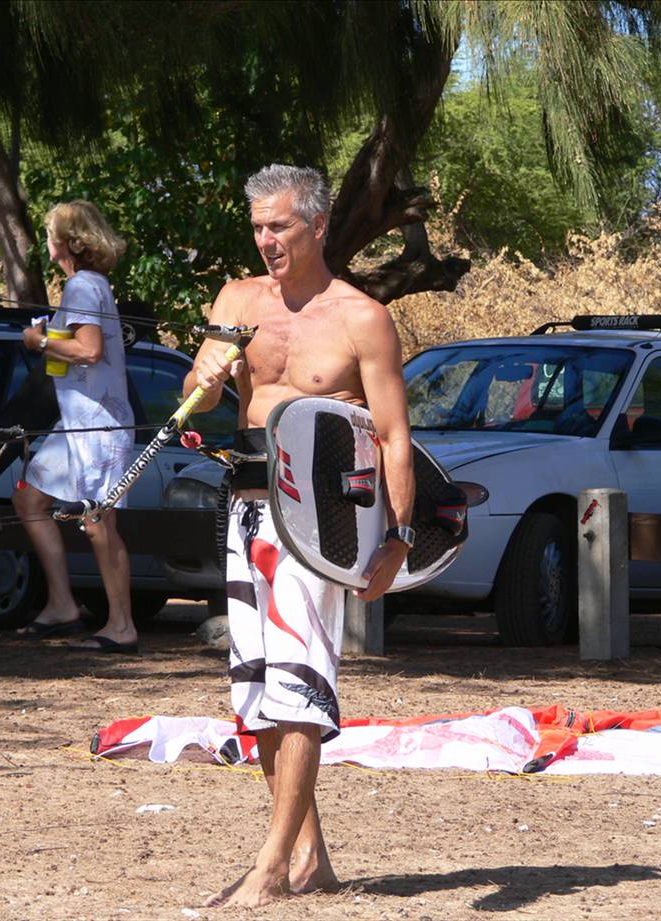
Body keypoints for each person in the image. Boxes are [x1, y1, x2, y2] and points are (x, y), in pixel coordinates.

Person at [183, 164, 416, 908]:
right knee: (253, 694)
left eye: (278, 225)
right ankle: (310, 855)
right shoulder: (236, 299)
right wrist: (210, 376)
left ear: (316, 226)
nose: (265, 240)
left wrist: (399, 538)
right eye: (256, 226)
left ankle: (271, 863)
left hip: (323, 520)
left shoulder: (361, 317)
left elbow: (393, 436)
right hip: (247, 508)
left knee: (299, 686)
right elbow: (200, 392)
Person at [14, 200, 138, 653]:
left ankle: (122, 627)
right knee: (30, 498)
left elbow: (88, 350)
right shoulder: (86, 286)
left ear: (67, 242)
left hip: (98, 426)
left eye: (49, 233)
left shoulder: (84, 286)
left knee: (99, 523)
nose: (46, 241)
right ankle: (63, 605)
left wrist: (39, 340)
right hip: (75, 423)